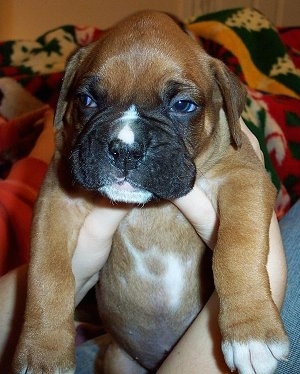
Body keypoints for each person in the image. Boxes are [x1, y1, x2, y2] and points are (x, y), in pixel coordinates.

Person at [0, 109, 297, 373]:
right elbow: (56, 202)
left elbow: (245, 178)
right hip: (127, 352)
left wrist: (245, 297)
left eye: (181, 105)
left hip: (213, 323)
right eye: (91, 100)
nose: (126, 139)